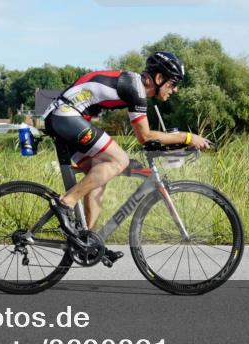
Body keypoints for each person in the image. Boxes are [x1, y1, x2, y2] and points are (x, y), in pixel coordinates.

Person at [42, 51, 211, 264]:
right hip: (65, 115)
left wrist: (175, 142)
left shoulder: (134, 87)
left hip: (65, 117)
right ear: (159, 79)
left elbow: (146, 137)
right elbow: (145, 136)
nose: (175, 89)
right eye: (173, 83)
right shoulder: (135, 89)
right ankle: (66, 202)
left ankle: (86, 240)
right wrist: (187, 137)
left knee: (99, 171)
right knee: (119, 160)